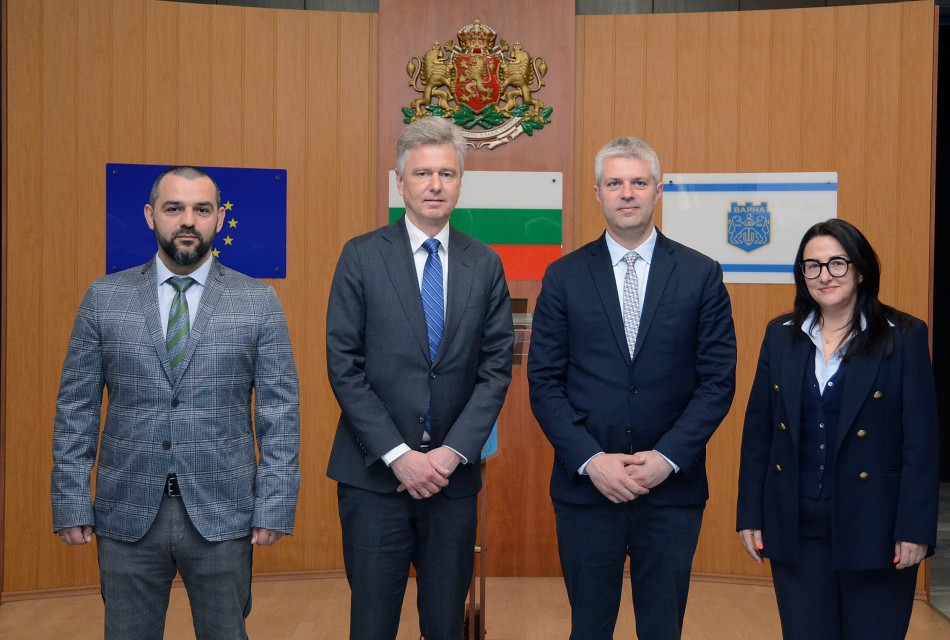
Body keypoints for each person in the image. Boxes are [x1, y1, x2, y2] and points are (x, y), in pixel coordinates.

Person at [51, 166, 301, 639]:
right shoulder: (104, 298)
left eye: (201, 209)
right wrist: (70, 500)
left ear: (219, 219)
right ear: (151, 216)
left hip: (224, 514)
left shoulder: (258, 301)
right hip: (126, 513)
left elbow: (279, 414)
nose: (188, 220)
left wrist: (274, 505)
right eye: (174, 208)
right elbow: (75, 409)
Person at [528, 136, 737, 640]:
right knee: (589, 628)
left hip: (671, 492)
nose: (627, 193)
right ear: (597, 193)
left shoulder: (701, 274)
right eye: (615, 183)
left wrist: (667, 458)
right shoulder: (563, 277)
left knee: (662, 629)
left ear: (658, 191)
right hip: (587, 489)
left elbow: (717, 381)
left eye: (639, 182)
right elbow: (544, 382)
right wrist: (590, 460)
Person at [325, 117, 514, 640]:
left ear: (460, 182)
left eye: (447, 174)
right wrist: (399, 455)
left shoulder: (485, 264)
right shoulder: (361, 256)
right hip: (374, 479)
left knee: (446, 626)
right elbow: (344, 365)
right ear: (399, 181)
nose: (435, 185)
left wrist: (451, 454)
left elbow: (495, 369)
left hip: (451, 482)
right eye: (423, 173)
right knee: (371, 625)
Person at [736, 218, 939, 639]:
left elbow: (921, 443)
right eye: (812, 266)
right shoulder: (781, 335)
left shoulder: (903, 336)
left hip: (877, 527)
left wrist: (914, 528)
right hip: (797, 528)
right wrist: (750, 514)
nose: (824, 275)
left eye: (837, 263)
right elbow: (759, 433)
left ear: (861, 270)